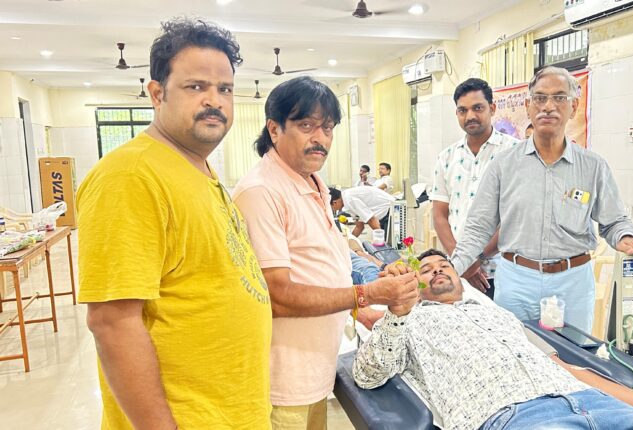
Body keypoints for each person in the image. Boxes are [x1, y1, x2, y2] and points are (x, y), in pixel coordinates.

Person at [77, 18, 272, 429]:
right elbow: (112, 323)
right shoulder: (131, 176)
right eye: (196, 86)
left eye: (225, 89)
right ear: (157, 93)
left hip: (230, 412)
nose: (214, 100)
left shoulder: (198, 168)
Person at [232, 76, 418, 429]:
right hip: (283, 380)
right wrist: (366, 294)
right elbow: (277, 296)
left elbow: (320, 262)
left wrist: (358, 309)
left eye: (328, 128)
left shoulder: (311, 182)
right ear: (274, 129)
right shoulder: (262, 192)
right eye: (307, 126)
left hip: (315, 368)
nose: (320, 138)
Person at [354, 249, 633, 430]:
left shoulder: (499, 315)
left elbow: (565, 368)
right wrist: (396, 311)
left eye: (445, 265)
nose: (438, 270)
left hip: (595, 403)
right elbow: (368, 374)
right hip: (517, 416)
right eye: (427, 270)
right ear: (415, 284)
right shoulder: (407, 321)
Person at [451, 66, 633, 333]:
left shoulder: (593, 166)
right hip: (516, 281)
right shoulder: (503, 165)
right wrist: (451, 268)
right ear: (528, 106)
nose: (548, 106)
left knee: (573, 354)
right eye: (540, 98)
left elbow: (614, 221)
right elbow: (478, 227)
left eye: (559, 98)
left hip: (573, 284)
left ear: (573, 107)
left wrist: (628, 238)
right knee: (516, 351)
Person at [430, 78, 518, 299]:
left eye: (477, 108)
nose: (470, 116)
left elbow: (515, 218)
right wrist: (462, 261)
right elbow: (439, 215)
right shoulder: (446, 157)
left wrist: (476, 258)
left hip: (505, 271)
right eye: (463, 110)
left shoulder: (515, 153)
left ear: (492, 108)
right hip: (459, 272)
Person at [329, 186, 396, 237]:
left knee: (387, 245)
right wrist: (350, 242)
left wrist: (379, 241)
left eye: (331, 208)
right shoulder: (346, 201)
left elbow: (371, 219)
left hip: (391, 210)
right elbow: (359, 226)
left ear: (335, 202)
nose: (334, 210)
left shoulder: (349, 200)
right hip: (385, 212)